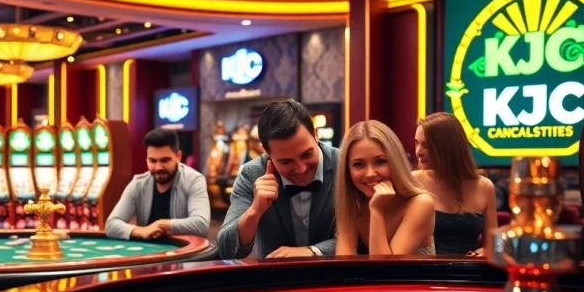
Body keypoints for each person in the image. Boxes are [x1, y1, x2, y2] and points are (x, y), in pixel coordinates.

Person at [217, 100, 337, 259]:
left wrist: (312, 251)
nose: (301, 169)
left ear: (315, 134)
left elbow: (362, 238)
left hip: (335, 277)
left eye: (307, 154)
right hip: (275, 280)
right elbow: (226, 249)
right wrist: (255, 211)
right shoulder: (251, 174)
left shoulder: (343, 165)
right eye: (286, 161)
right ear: (266, 151)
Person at [335, 119, 435, 256]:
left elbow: (387, 269)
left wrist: (376, 210)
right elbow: (343, 265)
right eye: (358, 164)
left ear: (395, 161)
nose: (370, 173)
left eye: (380, 162)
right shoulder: (353, 206)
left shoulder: (421, 203)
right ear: (347, 170)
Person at [413, 112, 497, 255]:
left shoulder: (485, 187)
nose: (418, 152)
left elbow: (495, 247)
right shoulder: (413, 181)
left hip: (469, 271)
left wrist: (486, 251)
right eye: (416, 144)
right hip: (425, 271)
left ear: (448, 147)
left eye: (426, 146)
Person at [105, 128, 210, 240]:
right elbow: (111, 225)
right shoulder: (138, 184)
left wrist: (161, 224)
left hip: (185, 253)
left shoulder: (194, 180)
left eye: (165, 160)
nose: (158, 167)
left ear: (178, 157)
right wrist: (142, 231)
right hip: (149, 254)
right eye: (153, 161)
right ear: (146, 159)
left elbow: (201, 224)